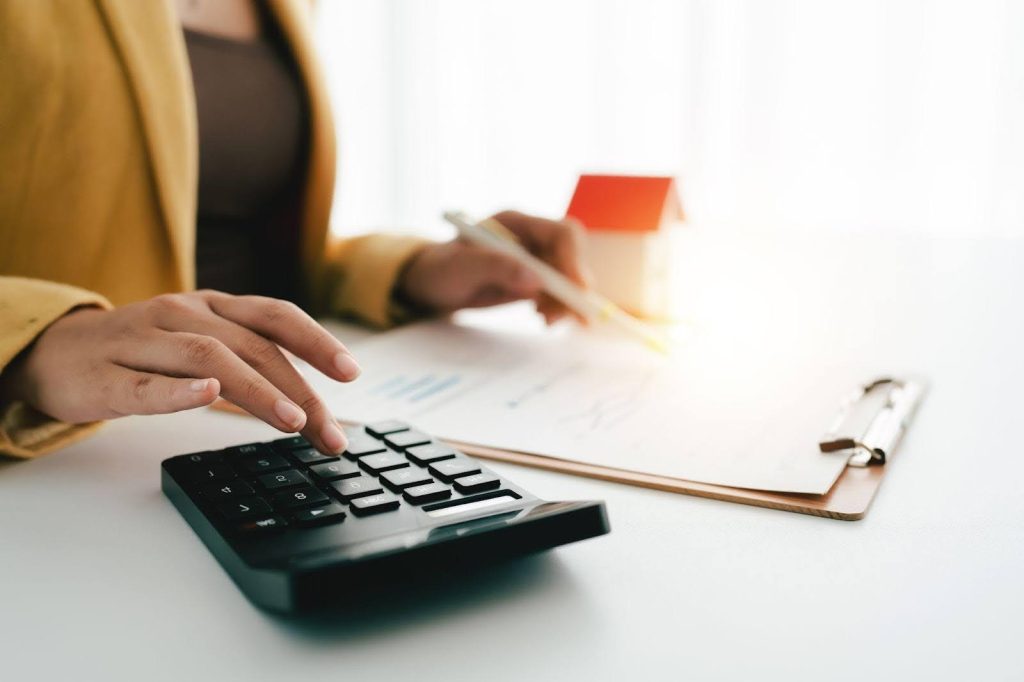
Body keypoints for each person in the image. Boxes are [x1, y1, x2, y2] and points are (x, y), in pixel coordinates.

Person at [0, 0, 589, 458]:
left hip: (243, 435)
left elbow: (242, 237)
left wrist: (410, 272)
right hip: (67, 461)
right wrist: (36, 340)